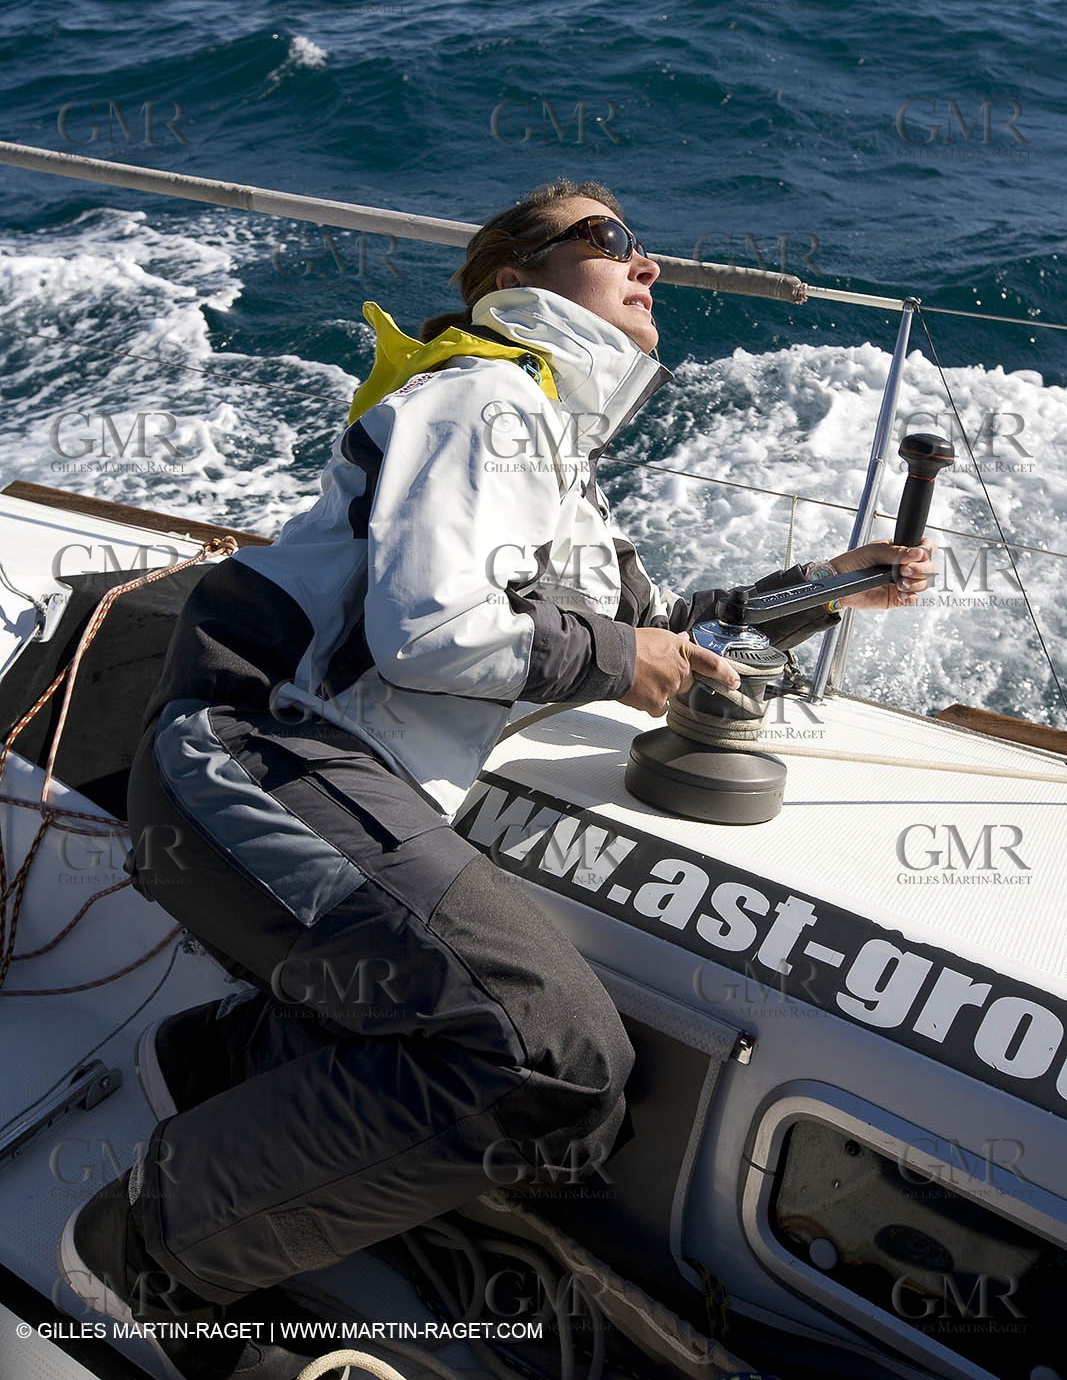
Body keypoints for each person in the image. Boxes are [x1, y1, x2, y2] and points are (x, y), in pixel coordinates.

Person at [59, 179, 935, 1379]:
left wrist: (831, 584)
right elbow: (430, 632)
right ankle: (147, 1250)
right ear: (516, 278)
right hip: (254, 754)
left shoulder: (552, 452)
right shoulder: (485, 399)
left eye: (640, 241)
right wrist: (618, 657)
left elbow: (667, 627)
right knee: (546, 1047)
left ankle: (229, 1066)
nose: (646, 263)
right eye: (607, 238)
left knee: (520, 1034)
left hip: (320, 771)